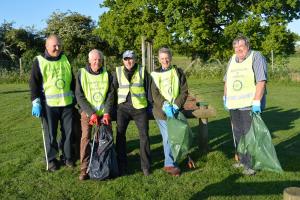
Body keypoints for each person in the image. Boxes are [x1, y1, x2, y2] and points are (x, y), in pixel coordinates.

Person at [29, 34, 75, 172]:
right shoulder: (39, 61)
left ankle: (67, 157)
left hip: (67, 103)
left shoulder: (65, 59)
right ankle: (51, 159)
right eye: (54, 45)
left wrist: (75, 97)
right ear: (46, 46)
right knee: (50, 134)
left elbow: (71, 79)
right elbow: (34, 83)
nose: (57, 47)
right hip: (48, 104)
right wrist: (36, 102)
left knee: (68, 132)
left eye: (59, 45)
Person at [223, 35, 267, 176]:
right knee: (238, 133)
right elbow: (227, 80)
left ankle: (250, 165)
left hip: (249, 104)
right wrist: (225, 97)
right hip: (234, 104)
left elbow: (261, 80)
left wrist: (256, 102)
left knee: (249, 134)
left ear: (247, 46)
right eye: (235, 47)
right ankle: (242, 160)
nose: (238, 49)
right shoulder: (232, 59)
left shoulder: (256, 56)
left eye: (241, 46)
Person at [75, 49, 115, 180]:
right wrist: (90, 113)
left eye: (99, 60)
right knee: (86, 138)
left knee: (106, 139)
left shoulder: (107, 74)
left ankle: (106, 165)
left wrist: (107, 113)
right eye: (94, 60)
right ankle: (84, 168)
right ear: (89, 60)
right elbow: (79, 95)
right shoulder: (81, 73)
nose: (97, 62)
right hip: (88, 113)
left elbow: (110, 95)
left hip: (104, 113)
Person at [113, 50, 152, 176]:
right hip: (122, 108)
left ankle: (145, 166)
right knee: (120, 136)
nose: (128, 61)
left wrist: (149, 106)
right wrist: (114, 107)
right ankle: (121, 164)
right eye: (126, 59)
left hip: (140, 108)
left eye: (131, 58)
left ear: (135, 59)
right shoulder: (117, 71)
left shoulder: (142, 70)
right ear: (122, 60)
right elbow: (113, 90)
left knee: (144, 136)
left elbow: (148, 89)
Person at [151, 47, 188, 176]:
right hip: (161, 112)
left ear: (171, 58)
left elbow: (184, 91)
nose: (165, 60)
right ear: (159, 60)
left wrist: (176, 106)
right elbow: (154, 94)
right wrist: (165, 105)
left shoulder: (178, 72)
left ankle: (173, 160)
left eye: (167, 58)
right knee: (168, 137)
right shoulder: (154, 74)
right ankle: (170, 164)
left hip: (176, 110)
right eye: (162, 58)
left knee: (177, 136)